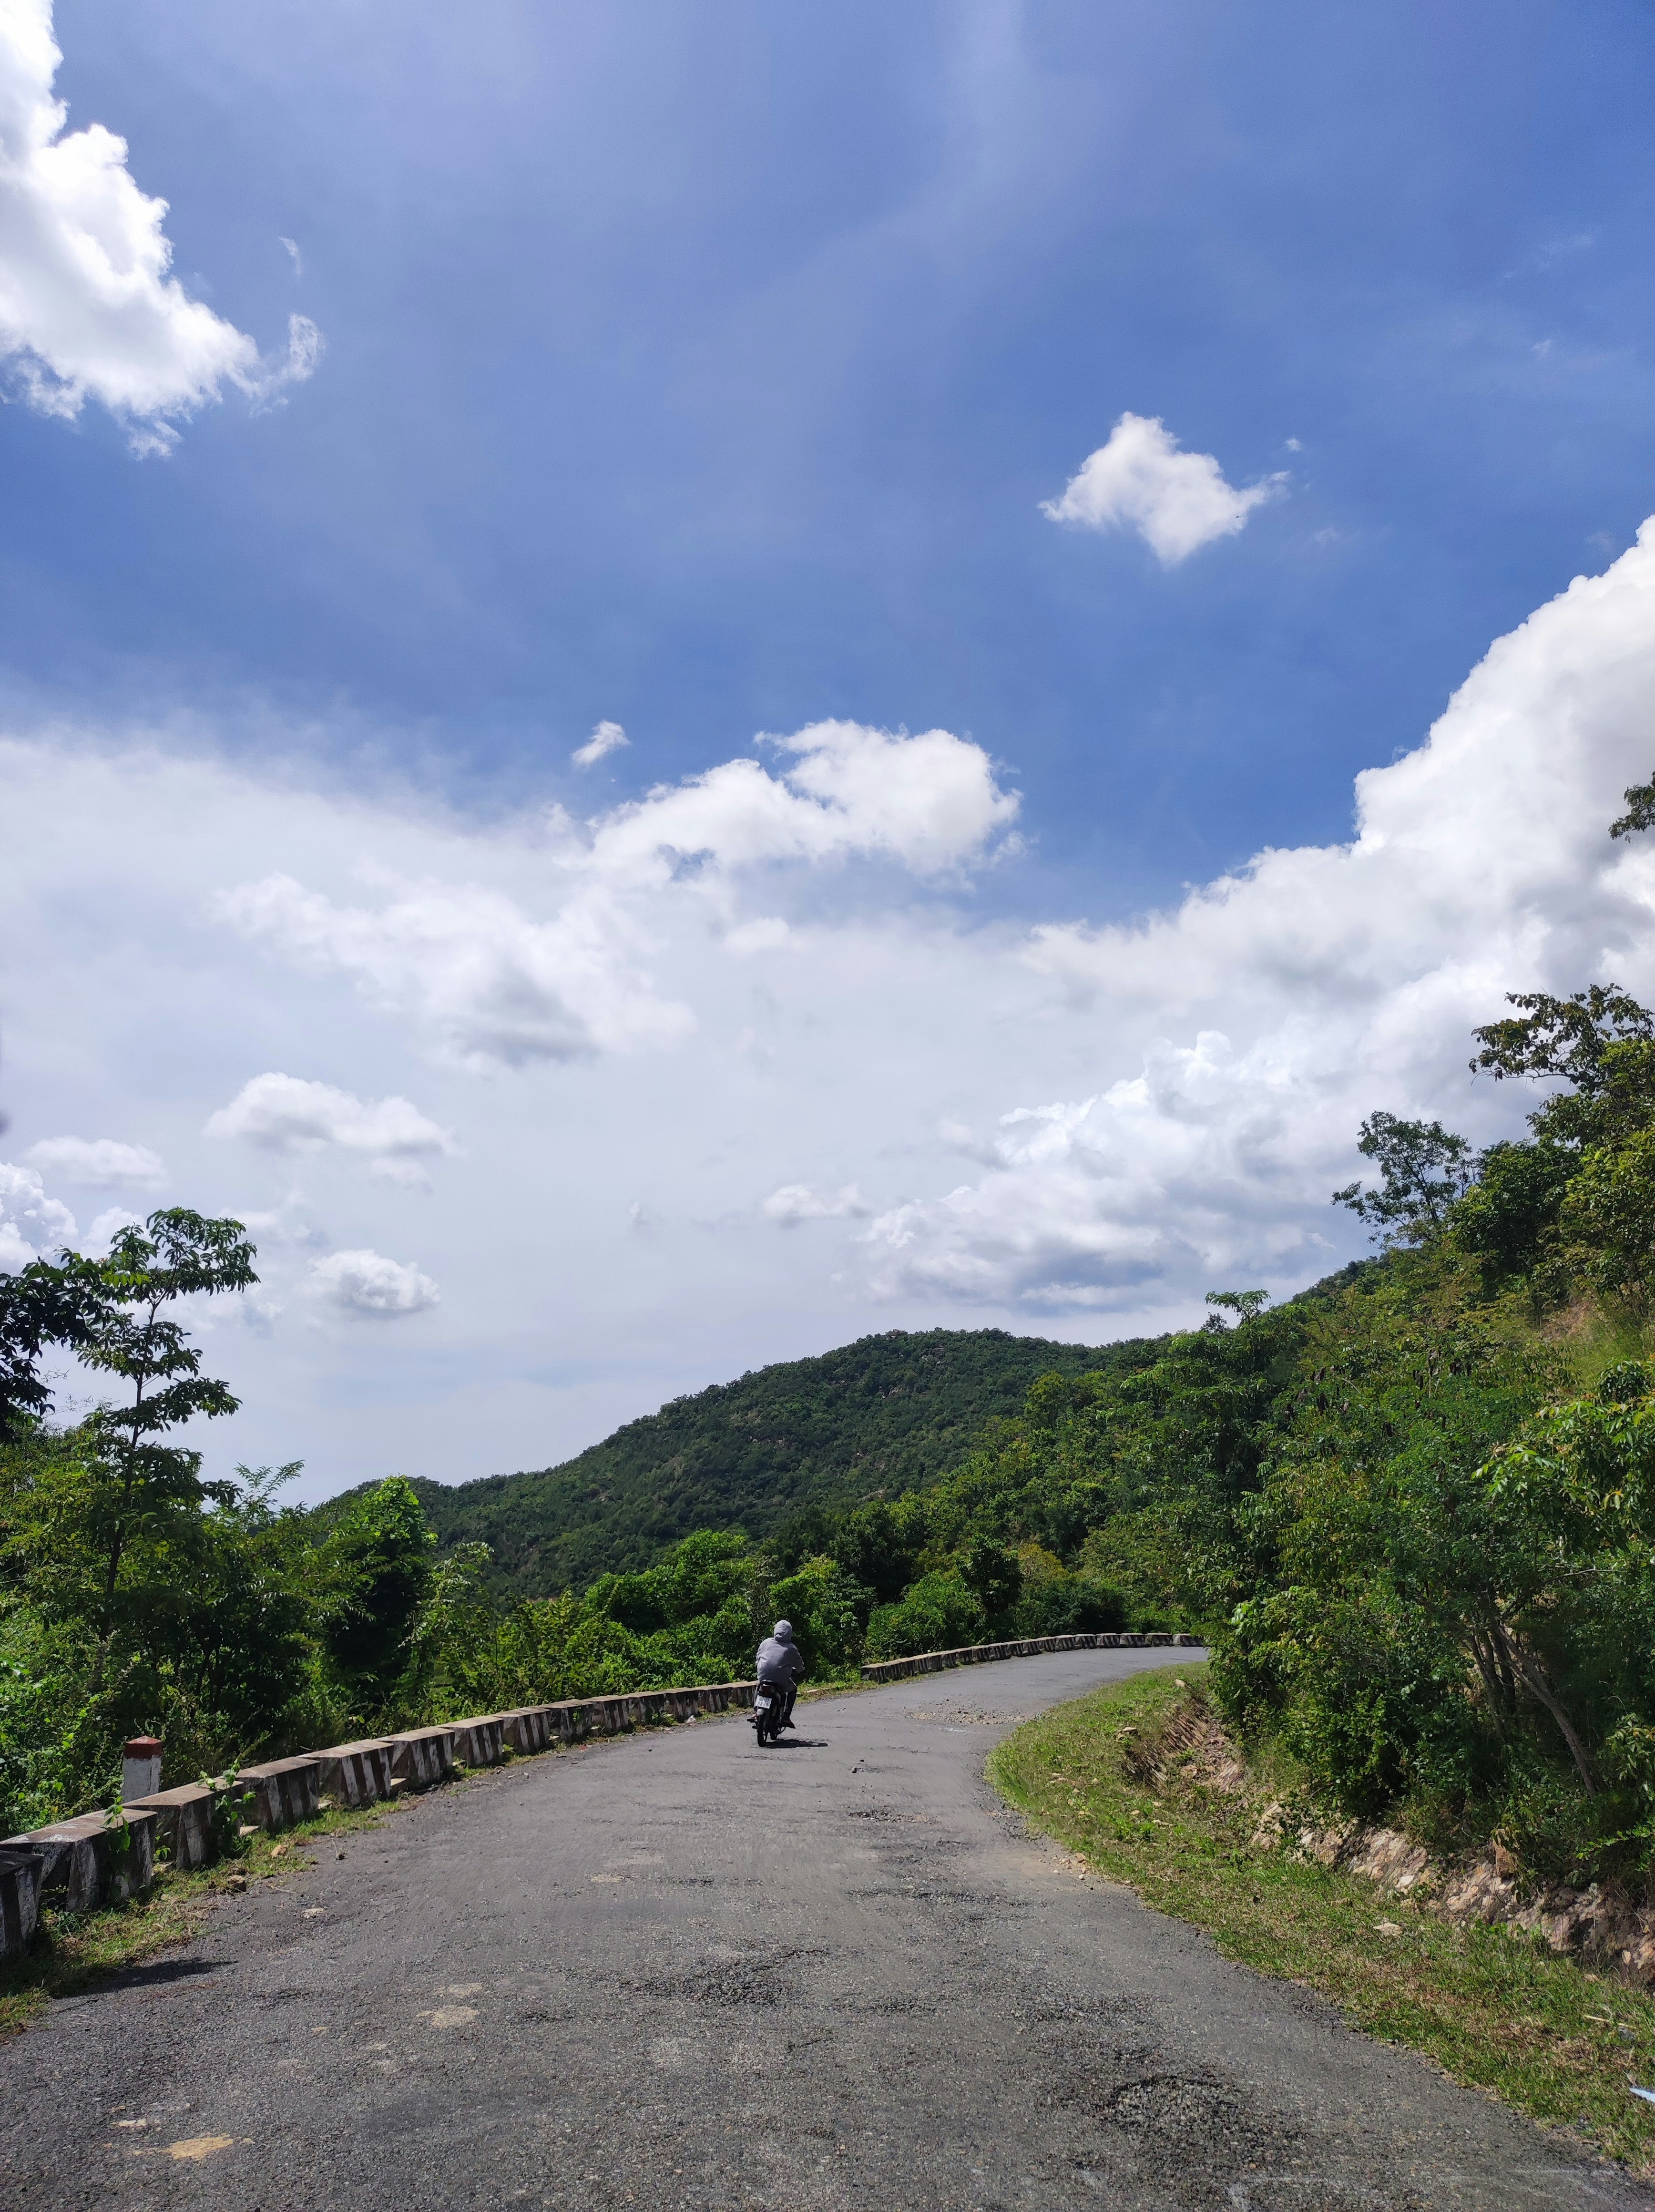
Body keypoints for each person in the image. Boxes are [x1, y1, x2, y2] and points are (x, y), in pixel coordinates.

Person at [755, 1618, 806, 1730]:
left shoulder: (766, 1642)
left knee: (759, 1686)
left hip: (764, 1675)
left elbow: (758, 1657)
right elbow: (799, 1664)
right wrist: (801, 1670)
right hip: (781, 1679)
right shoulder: (791, 1648)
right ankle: (786, 1717)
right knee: (793, 1690)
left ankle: (755, 1711)